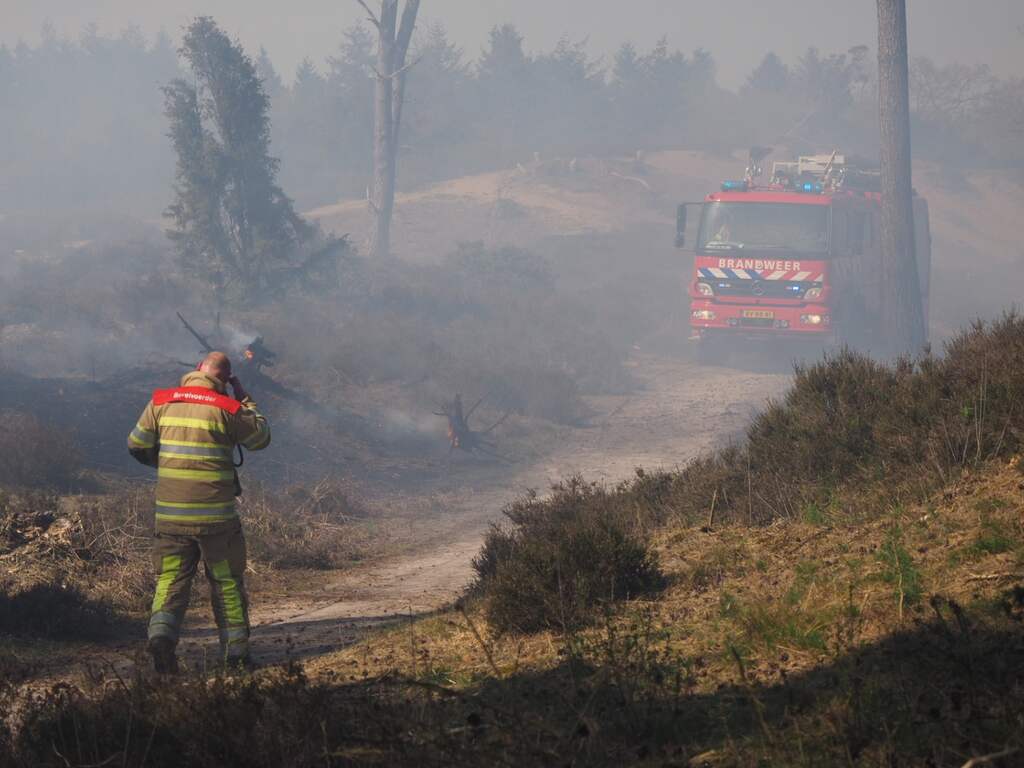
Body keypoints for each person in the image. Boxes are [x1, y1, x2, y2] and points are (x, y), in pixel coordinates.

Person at [128, 351, 270, 673]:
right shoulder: (228, 407)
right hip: (217, 522)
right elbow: (261, 438)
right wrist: (247, 400)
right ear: (225, 380)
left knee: (171, 580)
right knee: (226, 583)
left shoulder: (161, 401)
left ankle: (161, 639)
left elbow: (136, 444)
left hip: (172, 518)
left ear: (196, 371)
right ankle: (236, 656)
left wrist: (162, 462)